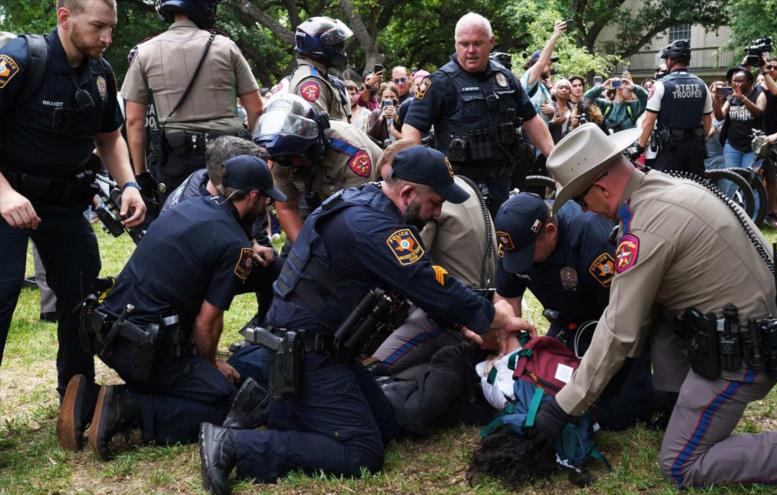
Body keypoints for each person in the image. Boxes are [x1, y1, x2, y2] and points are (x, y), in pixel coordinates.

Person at [533, 123, 777, 488]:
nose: (585, 211)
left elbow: (619, 329)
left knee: (681, 464)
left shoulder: (646, 228)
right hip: (756, 325)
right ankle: (676, 403)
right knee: (656, 306)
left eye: (581, 200)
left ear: (601, 188)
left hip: (744, 353)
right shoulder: (666, 187)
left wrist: (563, 407)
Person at [198, 145, 535, 494]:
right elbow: (426, 282)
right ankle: (234, 445)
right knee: (362, 453)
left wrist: (467, 323)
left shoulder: (363, 202)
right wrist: (496, 318)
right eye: (435, 202)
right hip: (306, 353)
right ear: (407, 193)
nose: (437, 213)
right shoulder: (375, 227)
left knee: (385, 424)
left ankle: (275, 406)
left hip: (319, 346)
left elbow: (419, 287)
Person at [59, 155, 286, 460]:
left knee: (203, 385)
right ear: (254, 196)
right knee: (225, 401)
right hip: (145, 350)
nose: (268, 207)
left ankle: (87, 401)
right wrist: (210, 365)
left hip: (110, 330)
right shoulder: (234, 245)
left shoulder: (192, 207)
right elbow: (208, 323)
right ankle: (124, 405)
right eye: (267, 200)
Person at [0, 0, 146, 400]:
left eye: (111, 27)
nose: (108, 37)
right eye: (99, 27)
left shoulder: (101, 74)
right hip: (6, 195)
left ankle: (76, 397)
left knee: (82, 297)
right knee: (3, 289)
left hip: (64, 200)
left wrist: (129, 185)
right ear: (65, 18)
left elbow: (110, 137)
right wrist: (5, 194)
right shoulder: (20, 60)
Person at [492, 191, 656, 431]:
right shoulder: (515, 240)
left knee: (614, 417)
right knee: (549, 387)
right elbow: (507, 297)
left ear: (551, 231)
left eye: (526, 255)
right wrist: (511, 351)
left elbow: (628, 311)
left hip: (613, 322)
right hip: (566, 319)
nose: (521, 263)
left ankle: (665, 392)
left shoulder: (591, 238)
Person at [402, 12, 554, 214]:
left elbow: (531, 119)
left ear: (491, 42)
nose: (470, 50)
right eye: (464, 44)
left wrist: (555, 158)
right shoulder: (439, 82)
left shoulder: (506, 78)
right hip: (457, 184)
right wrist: (420, 176)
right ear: (455, 44)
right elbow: (411, 127)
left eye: (477, 43)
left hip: (501, 182)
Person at [372, 140, 497, 374]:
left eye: (391, 179)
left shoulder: (427, 201)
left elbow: (407, 272)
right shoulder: (461, 185)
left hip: (455, 313)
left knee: (370, 369)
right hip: (482, 301)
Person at [121, 0, 263, 198]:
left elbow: (134, 121)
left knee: (179, 220)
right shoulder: (226, 47)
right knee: (234, 220)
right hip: (230, 154)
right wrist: (257, 154)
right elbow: (256, 109)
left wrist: (141, 173)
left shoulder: (145, 52)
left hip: (177, 159)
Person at [161, 136, 281, 325]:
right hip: (183, 281)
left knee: (276, 268)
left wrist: (253, 245)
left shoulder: (214, 182)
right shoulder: (195, 210)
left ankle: (268, 328)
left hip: (215, 257)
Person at [254, 94, 381, 241]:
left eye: (300, 156)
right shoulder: (281, 155)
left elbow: (357, 216)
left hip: (370, 205)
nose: (295, 164)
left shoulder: (352, 154)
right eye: (289, 160)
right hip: (320, 201)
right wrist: (305, 249)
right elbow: (287, 208)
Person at [637, 39, 712, 175]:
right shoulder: (702, 84)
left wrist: (640, 147)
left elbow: (649, 122)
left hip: (670, 150)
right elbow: (707, 122)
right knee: (697, 188)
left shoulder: (660, 85)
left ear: (670, 60)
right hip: (695, 149)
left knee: (666, 190)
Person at [283, 16, 353, 121]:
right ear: (319, 46)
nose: (341, 50)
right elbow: (320, 131)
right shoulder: (311, 82)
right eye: (338, 46)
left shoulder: (321, 77)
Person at [712, 65, 766, 170]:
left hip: (752, 146)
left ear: (749, 82)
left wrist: (742, 98)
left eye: (740, 81)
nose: (736, 84)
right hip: (732, 145)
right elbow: (719, 117)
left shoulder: (758, 93)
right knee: (731, 180)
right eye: (734, 81)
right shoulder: (731, 97)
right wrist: (715, 99)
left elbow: (758, 113)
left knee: (748, 181)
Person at [584, 75, 649, 133]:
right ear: (619, 89)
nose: (632, 92)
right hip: (608, 145)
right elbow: (586, 98)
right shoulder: (605, 105)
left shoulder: (632, 107)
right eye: (629, 89)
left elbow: (647, 98)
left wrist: (634, 87)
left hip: (627, 145)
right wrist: (602, 87)